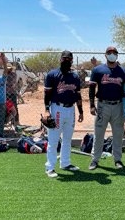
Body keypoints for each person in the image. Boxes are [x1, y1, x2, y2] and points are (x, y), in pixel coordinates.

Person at [43, 50, 84, 178]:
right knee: (54, 139)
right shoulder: (52, 74)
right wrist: (46, 110)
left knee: (67, 139)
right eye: (64, 58)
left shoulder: (75, 77)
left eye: (69, 59)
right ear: (60, 59)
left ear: (72, 61)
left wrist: (81, 111)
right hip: (57, 108)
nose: (66, 61)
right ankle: (50, 167)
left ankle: (65, 163)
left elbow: (77, 95)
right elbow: (47, 94)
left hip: (71, 109)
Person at [88, 46, 125, 170]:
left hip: (118, 106)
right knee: (99, 133)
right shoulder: (98, 70)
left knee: (118, 134)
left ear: (117, 55)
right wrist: (91, 105)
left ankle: (117, 159)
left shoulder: (124, 71)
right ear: (105, 55)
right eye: (109, 52)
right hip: (102, 105)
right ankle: (95, 159)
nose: (112, 54)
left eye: (114, 53)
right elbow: (91, 88)